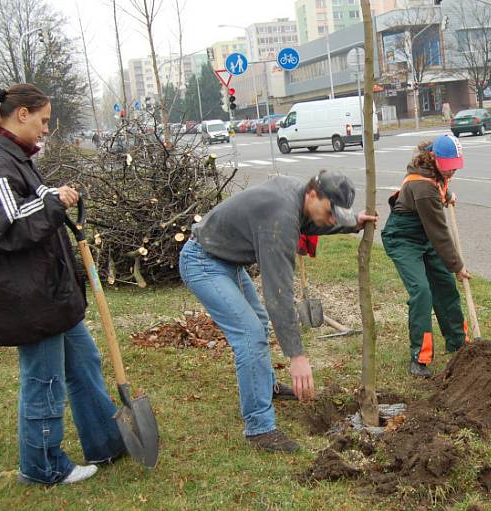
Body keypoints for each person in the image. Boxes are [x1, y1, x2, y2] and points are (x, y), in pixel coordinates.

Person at [0, 84, 126, 485]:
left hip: (49, 294)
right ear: (22, 115)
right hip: (28, 300)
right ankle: (42, 466)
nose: (46, 129)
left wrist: (49, 195)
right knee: (44, 380)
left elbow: (24, 204)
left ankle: (106, 441)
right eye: (44, 120)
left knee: (84, 363)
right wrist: (52, 202)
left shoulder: (15, 160)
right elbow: (1, 227)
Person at [180, 171, 376, 452]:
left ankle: (264, 386)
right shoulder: (279, 219)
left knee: (259, 324)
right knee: (250, 336)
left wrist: (352, 222)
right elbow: (279, 294)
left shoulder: (300, 194)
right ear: (313, 194)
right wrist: (297, 356)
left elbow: (314, 220)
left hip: (226, 261)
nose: (333, 218)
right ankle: (259, 428)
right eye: (332, 211)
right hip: (203, 263)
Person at [381, 134, 471, 378]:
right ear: (434, 158)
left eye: (456, 166)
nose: (452, 171)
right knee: (422, 291)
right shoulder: (421, 186)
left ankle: (458, 344)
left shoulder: (436, 173)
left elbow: (440, 188)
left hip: (425, 235)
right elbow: (440, 233)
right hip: (403, 238)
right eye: (448, 166)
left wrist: (448, 194)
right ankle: (419, 358)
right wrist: (457, 265)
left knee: (445, 286)